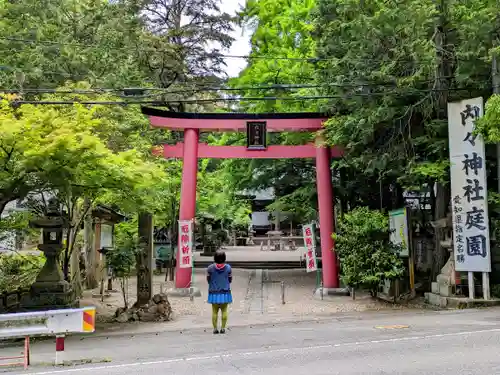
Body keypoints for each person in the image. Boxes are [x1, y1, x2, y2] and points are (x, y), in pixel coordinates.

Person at [207, 250, 232, 334]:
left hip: (214, 293)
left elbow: (208, 279)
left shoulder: (210, 268)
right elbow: (230, 279)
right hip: (225, 293)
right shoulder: (228, 267)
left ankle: (215, 329)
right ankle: (223, 328)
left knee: (214, 312)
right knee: (224, 311)